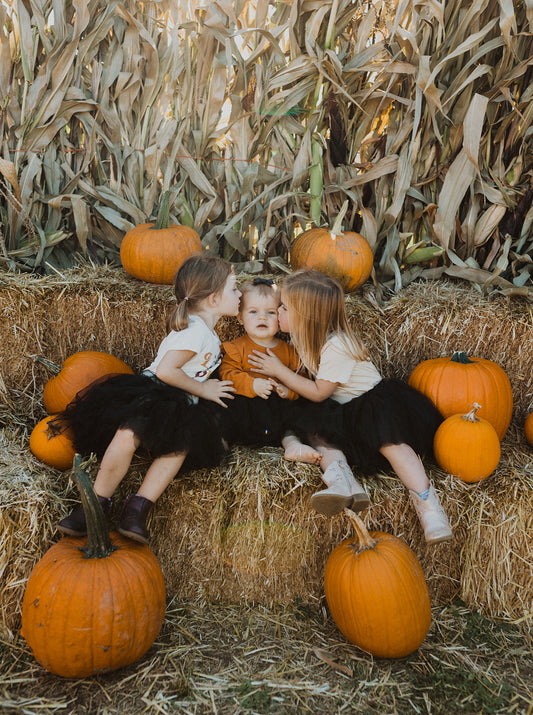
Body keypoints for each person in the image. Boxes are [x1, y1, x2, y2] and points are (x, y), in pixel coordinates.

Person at [247, 269, 453, 544]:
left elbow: (320, 392)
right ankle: (342, 481)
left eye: (283, 308)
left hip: (374, 406)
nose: (278, 311)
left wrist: (279, 371)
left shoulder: (337, 345)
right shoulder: (303, 337)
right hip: (345, 409)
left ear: (305, 316)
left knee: (393, 445)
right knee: (319, 436)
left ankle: (429, 508)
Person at [55, 254, 241, 544]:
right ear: (214, 299)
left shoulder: (203, 330)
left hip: (181, 403)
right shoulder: (195, 332)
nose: (240, 294)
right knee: (127, 435)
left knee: (178, 449)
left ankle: (138, 508)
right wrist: (204, 390)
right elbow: (167, 371)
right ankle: (96, 502)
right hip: (157, 394)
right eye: (235, 288)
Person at [219, 277, 321, 464]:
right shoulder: (236, 347)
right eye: (253, 311)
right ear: (240, 317)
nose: (262, 317)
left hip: (276, 409)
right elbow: (227, 374)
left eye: (271, 312)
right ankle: (222, 444)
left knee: (292, 420)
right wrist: (252, 384)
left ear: (280, 317)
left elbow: (302, 378)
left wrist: (288, 391)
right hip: (246, 406)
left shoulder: (289, 351)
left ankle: (292, 445)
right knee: (224, 410)